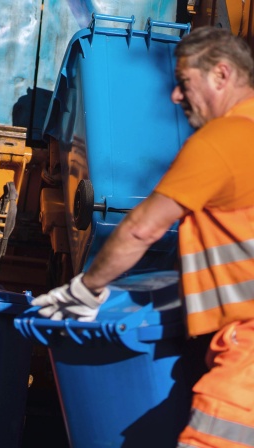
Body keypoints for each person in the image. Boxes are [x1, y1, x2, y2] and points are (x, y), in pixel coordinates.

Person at [32, 25, 254, 447]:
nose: (175, 96)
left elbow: (141, 228)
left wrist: (85, 289)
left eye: (184, 82)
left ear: (222, 75)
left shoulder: (224, 139)